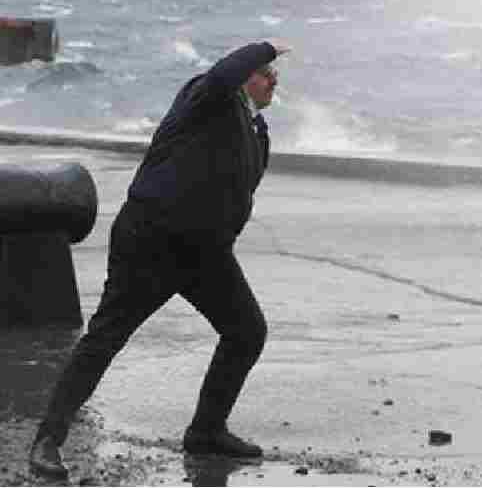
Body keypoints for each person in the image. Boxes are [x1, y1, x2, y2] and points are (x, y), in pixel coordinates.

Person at [29, 40, 289, 479]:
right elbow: (224, 73)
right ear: (246, 76)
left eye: (274, 75)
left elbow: (238, 189)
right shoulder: (206, 96)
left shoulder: (255, 130)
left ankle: (206, 431)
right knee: (105, 340)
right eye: (266, 73)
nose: (274, 80)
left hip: (205, 253)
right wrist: (264, 47)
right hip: (150, 243)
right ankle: (46, 442)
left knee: (246, 332)